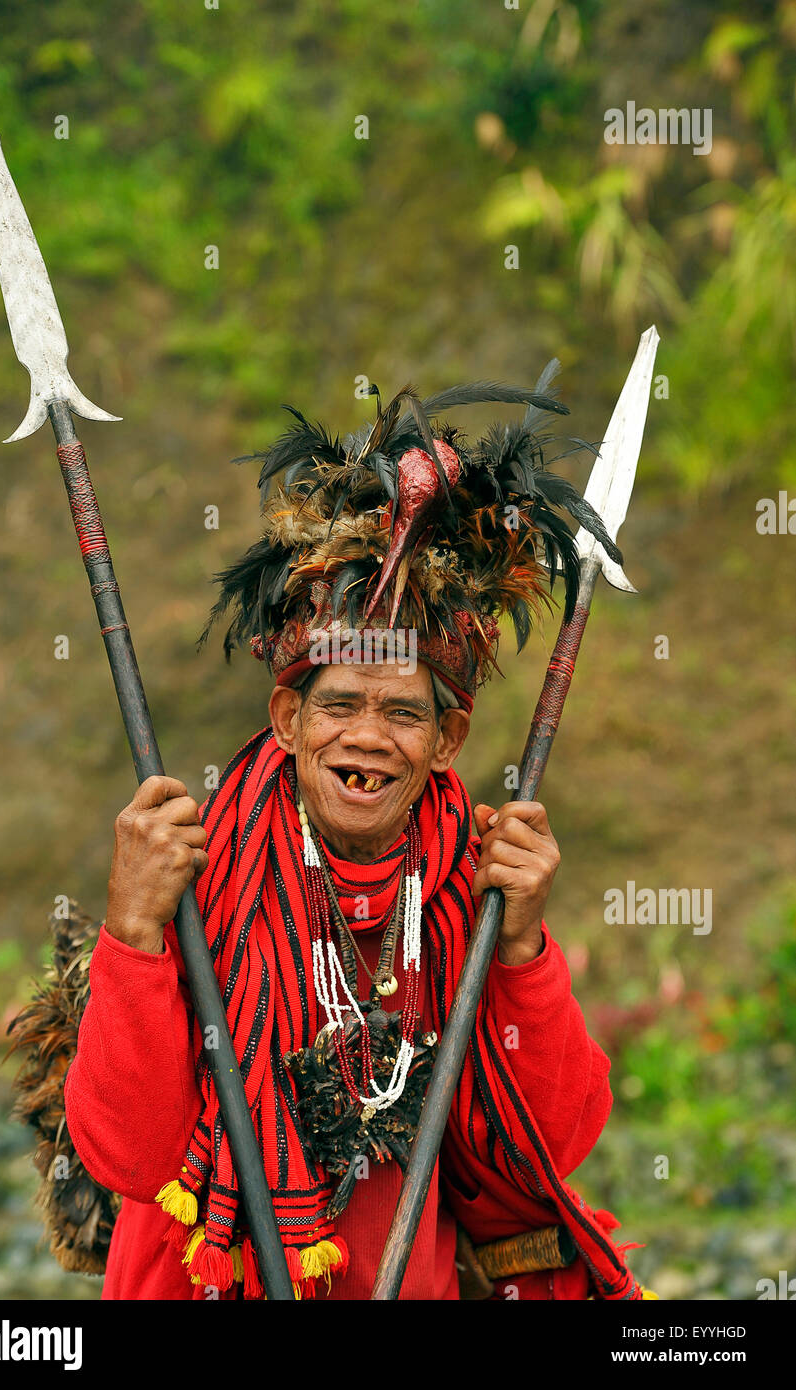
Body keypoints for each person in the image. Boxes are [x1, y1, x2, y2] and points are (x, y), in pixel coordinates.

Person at [64, 374, 650, 1300]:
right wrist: (134, 930)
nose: (367, 737)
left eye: (403, 714)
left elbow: (552, 1143)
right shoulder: (198, 873)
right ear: (287, 718)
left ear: (447, 740)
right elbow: (128, 1157)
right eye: (338, 705)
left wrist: (525, 946)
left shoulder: (473, 880)